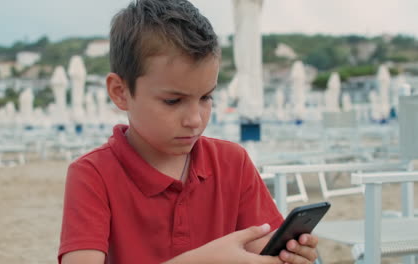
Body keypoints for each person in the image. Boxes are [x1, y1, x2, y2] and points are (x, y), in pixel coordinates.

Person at [58, 0, 319, 263]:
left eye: (206, 97)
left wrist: (288, 257)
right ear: (120, 92)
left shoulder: (232, 163)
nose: (195, 120)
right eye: (173, 101)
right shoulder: (93, 175)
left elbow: (261, 245)